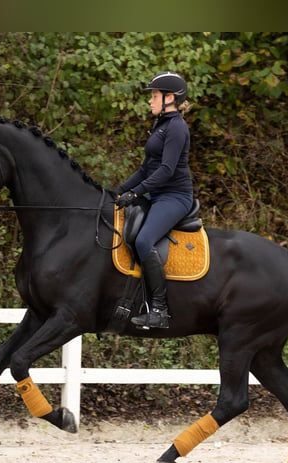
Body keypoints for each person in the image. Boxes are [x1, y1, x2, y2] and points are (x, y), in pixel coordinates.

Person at [114, 71, 194, 329]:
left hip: (175, 197)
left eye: (155, 96)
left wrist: (135, 193)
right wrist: (119, 190)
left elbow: (167, 170)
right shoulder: (161, 125)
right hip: (157, 193)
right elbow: (146, 168)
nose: (150, 101)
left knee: (143, 239)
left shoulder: (177, 128)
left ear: (170, 98)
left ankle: (159, 310)